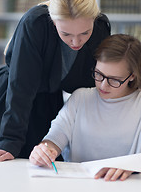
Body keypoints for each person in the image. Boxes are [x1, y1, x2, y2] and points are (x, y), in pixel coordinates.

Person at [0, 0, 110, 162]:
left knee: (43, 167)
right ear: (52, 21)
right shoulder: (35, 23)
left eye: (84, 33)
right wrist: (9, 141)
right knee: (5, 165)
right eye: (66, 34)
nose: (75, 42)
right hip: (11, 102)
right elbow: (21, 87)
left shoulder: (101, 28)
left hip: (49, 100)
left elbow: (91, 87)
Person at [29, 34, 141, 181]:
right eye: (99, 74)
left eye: (114, 80)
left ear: (132, 76)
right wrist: (43, 152)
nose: (103, 85)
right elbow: (54, 139)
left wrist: (130, 165)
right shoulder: (80, 98)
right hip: (78, 188)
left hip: (125, 190)